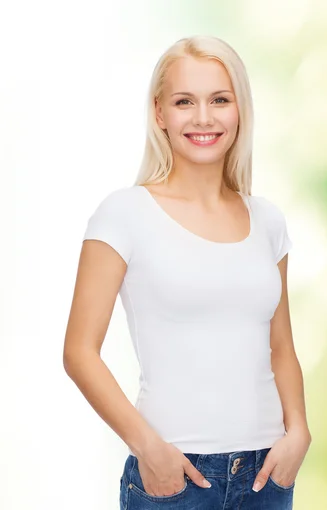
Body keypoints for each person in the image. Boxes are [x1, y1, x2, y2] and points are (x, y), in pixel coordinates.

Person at [63, 35, 311, 509]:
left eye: (220, 99)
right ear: (160, 113)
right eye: (184, 102)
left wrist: (297, 430)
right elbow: (79, 352)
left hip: (266, 475)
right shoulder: (124, 214)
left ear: (240, 110)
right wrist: (149, 449)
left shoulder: (268, 222)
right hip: (176, 476)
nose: (203, 117)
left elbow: (281, 347)